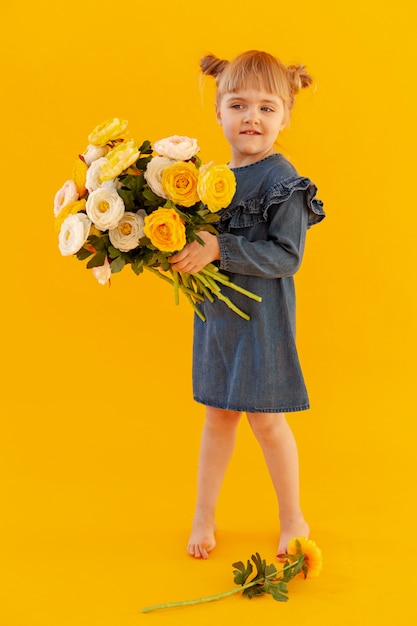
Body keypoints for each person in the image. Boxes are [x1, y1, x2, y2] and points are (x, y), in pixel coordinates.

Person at [169, 50, 325, 559]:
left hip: (263, 318)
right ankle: (203, 513)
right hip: (218, 317)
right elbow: (201, 240)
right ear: (218, 113)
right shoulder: (207, 181)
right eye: (238, 106)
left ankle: (293, 517)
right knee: (217, 415)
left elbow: (288, 255)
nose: (251, 118)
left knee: (267, 421)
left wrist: (221, 248)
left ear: (284, 116)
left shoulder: (284, 180)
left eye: (266, 108)